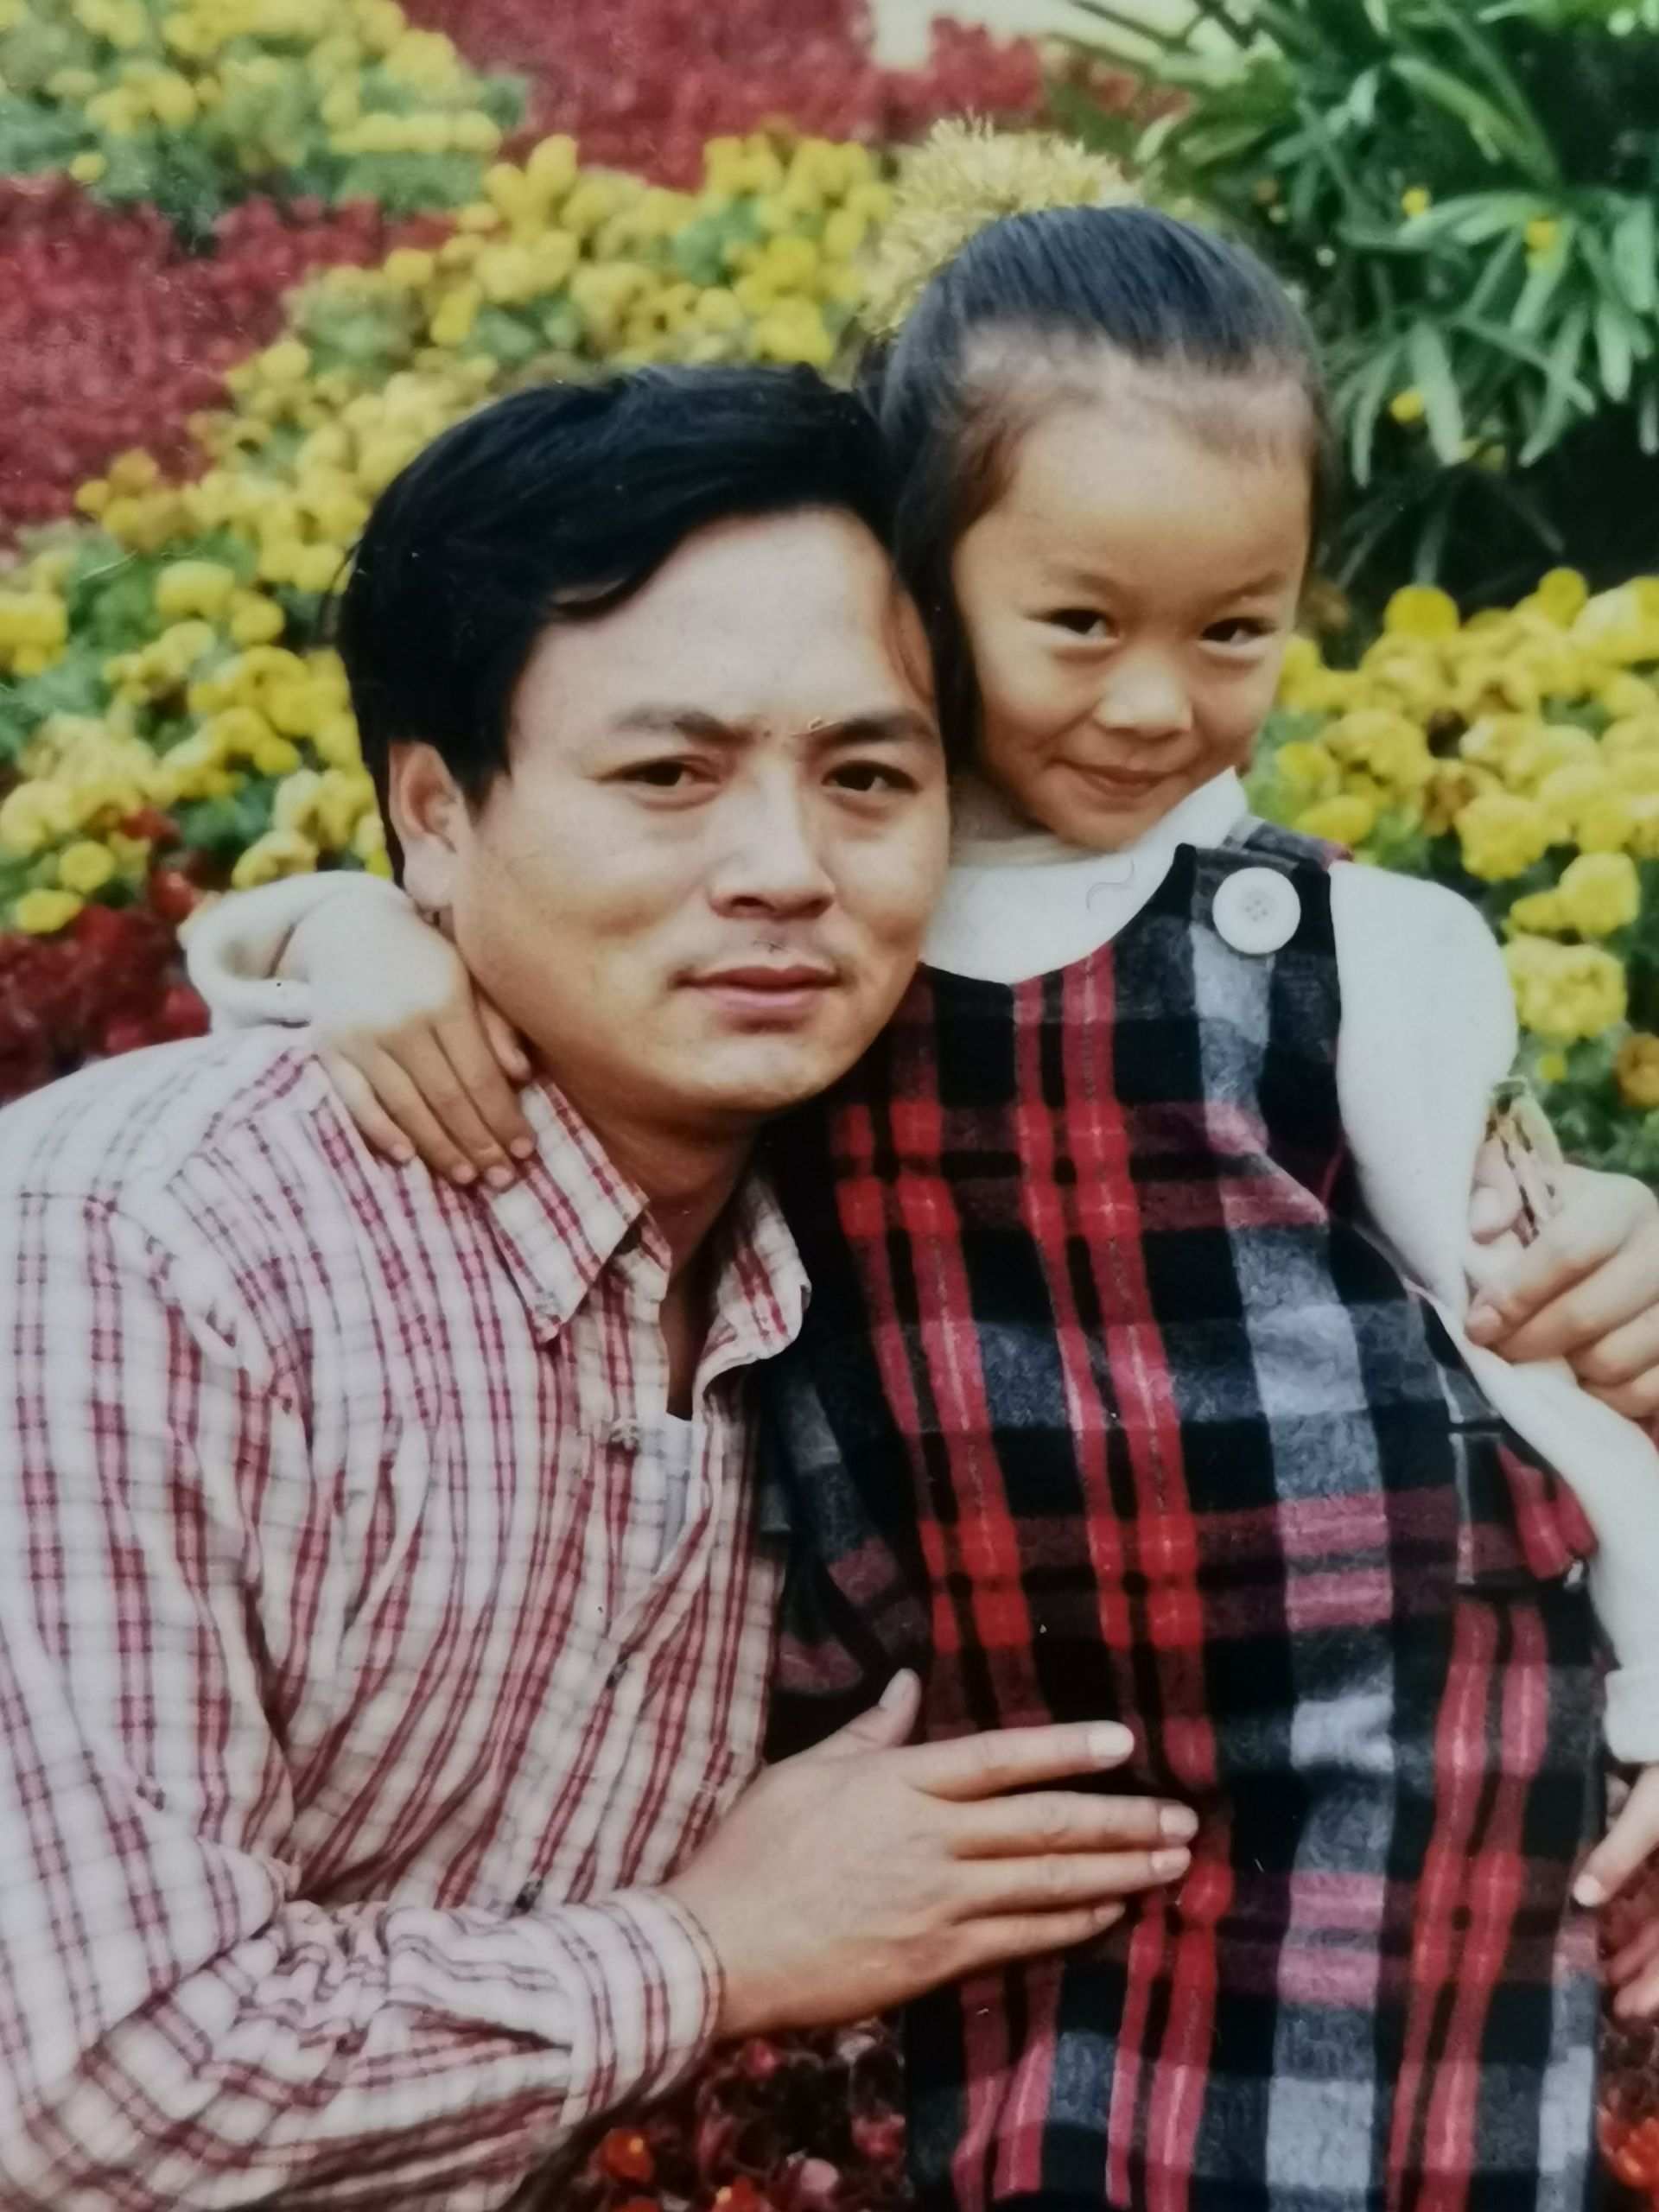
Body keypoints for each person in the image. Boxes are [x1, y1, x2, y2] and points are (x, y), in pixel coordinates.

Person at [188, 156, 1659, 2212]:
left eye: (1234, 628)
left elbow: (1536, 1348)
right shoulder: (826, 940)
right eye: (1078, 622)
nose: (1151, 700)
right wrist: (343, 930)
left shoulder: (1325, 950)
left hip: (1392, 1738)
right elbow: (428, 922)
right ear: (931, 587)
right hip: (1013, 1773)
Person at [0, 365, 1209, 2212]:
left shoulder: (877, 1259)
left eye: (869, 778)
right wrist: (712, 1951)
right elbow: (98, 2080)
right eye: (668, 775)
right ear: (434, 807)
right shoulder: (143, 1251)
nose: (786, 872)